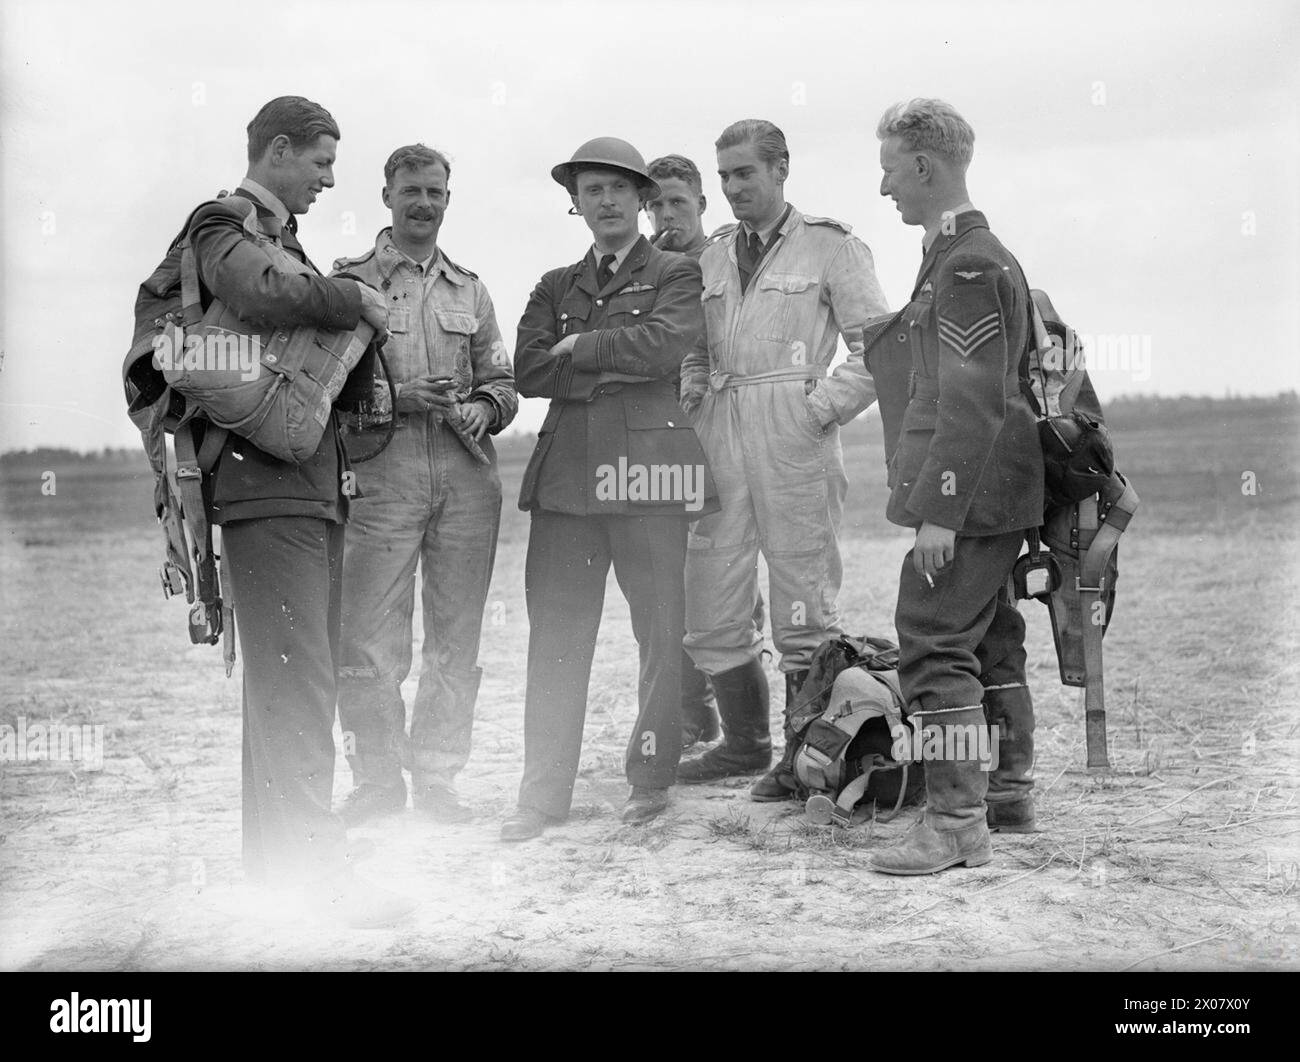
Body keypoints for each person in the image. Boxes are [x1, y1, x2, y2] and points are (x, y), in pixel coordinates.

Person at [190, 96, 412, 925]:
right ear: (276, 150)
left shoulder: (280, 241)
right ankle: (319, 879)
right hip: (266, 486)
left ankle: (277, 874)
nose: (327, 180)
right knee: (301, 684)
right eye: (319, 162)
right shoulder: (225, 225)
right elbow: (265, 291)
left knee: (287, 683)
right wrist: (350, 297)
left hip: (298, 485)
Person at [501, 137, 716, 841]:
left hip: (650, 476)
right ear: (576, 203)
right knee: (556, 638)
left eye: (621, 189)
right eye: (592, 190)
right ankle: (542, 795)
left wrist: (582, 350)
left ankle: (651, 779)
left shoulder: (680, 272)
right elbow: (529, 370)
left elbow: (664, 346)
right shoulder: (553, 286)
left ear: (643, 199)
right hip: (567, 484)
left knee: (659, 632)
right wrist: (603, 360)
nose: (608, 202)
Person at [677, 119, 889, 798]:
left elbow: (876, 349)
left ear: (779, 169)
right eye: (724, 177)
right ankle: (744, 743)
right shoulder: (708, 257)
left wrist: (816, 410)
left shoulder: (832, 246)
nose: (734, 187)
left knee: (802, 598)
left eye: (745, 173)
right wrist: (692, 389)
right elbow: (694, 344)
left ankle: (804, 758)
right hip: (720, 429)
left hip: (792, 430)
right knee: (709, 596)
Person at [865, 98, 1044, 875]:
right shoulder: (966, 251)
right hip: (994, 494)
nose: (885, 190)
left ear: (924, 166)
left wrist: (938, 511)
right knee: (989, 636)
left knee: (934, 642)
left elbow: (970, 403)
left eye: (890, 171)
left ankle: (955, 821)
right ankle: (1005, 793)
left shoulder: (967, 262)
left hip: (968, 497)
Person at [330, 144, 517, 826]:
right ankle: (377, 780)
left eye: (436, 192)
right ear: (386, 195)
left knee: (455, 639)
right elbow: (323, 388)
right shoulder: (349, 284)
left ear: (447, 199)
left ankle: (438, 776)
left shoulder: (471, 289)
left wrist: (482, 407)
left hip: (467, 481)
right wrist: (398, 397)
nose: (424, 203)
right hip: (383, 477)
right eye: (411, 190)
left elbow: (503, 381)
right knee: (367, 639)